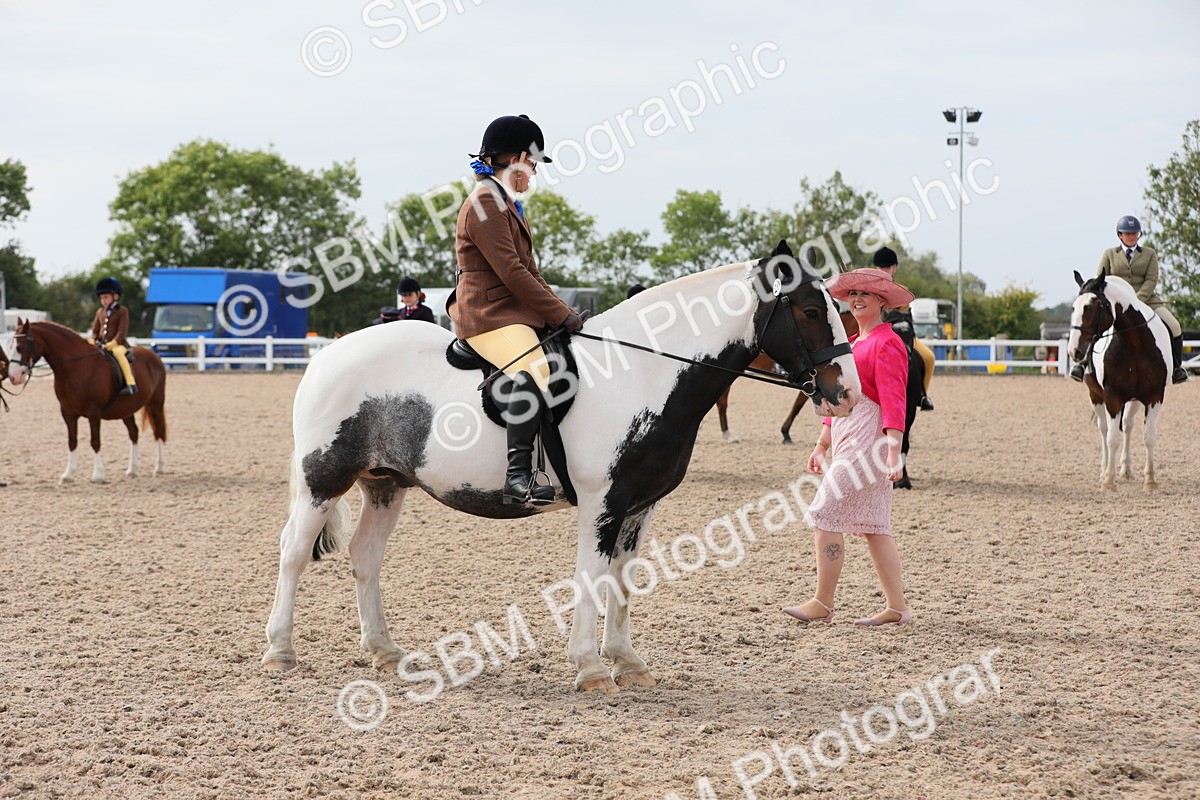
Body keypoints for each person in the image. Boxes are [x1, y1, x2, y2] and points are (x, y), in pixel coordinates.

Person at [447, 114, 583, 506]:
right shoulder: (485, 204)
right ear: (519, 159)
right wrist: (560, 316)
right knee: (535, 368)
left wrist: (563, 311)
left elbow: (531, 271)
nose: (535, 173)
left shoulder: (506, 203)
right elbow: (512, 273)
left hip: (510, 311)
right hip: (487, 315)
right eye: (534, 164)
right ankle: (518, 476)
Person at [783, 267, 913, 627]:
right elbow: (838, 400)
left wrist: (893, 451)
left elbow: (895, 401)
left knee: (824, 513)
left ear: (882, 301)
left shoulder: (888, 343)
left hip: (869, 443)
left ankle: (822, 602)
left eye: (865, 294)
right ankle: (897, 609)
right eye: (852, 294)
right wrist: (821, 444)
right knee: (875, 527)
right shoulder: (852, 343)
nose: (856, 299)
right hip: (847, 437)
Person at [1071, 215, 1189, 384]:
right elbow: (1100, 281)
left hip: (1147, 301)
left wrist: (1137, 300)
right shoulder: (1110, 254)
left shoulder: (1149, 254)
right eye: (1127, 233)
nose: (1132, 236)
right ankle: (1082, 365)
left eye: (1134, 233)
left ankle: (1177, 368)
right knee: (1095, 325)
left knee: (1174, 326)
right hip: (1116, 304)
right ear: (1120, 235)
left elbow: (1151, 279)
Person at [873, 247, 935, 411]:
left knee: (929, 357)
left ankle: (922, 395)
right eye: (881, 267)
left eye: (888, 267)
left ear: (894, 268)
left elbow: (903, 318)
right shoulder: (869, 290)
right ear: (875, 268)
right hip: (873, 335)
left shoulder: (902, 290)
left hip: (899, 337)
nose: (885, 271)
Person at [88, 277, 136, 395]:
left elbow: (122, 330)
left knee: (118, 353)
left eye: (106, 297)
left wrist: (114, 342)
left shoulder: (122, 311)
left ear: (115, 296)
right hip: (102, 344)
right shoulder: (100, 312)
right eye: (101, 298)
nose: (103, 301)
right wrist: (93, 339)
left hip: (118, 344)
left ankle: (130, 383)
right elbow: (95, 330)